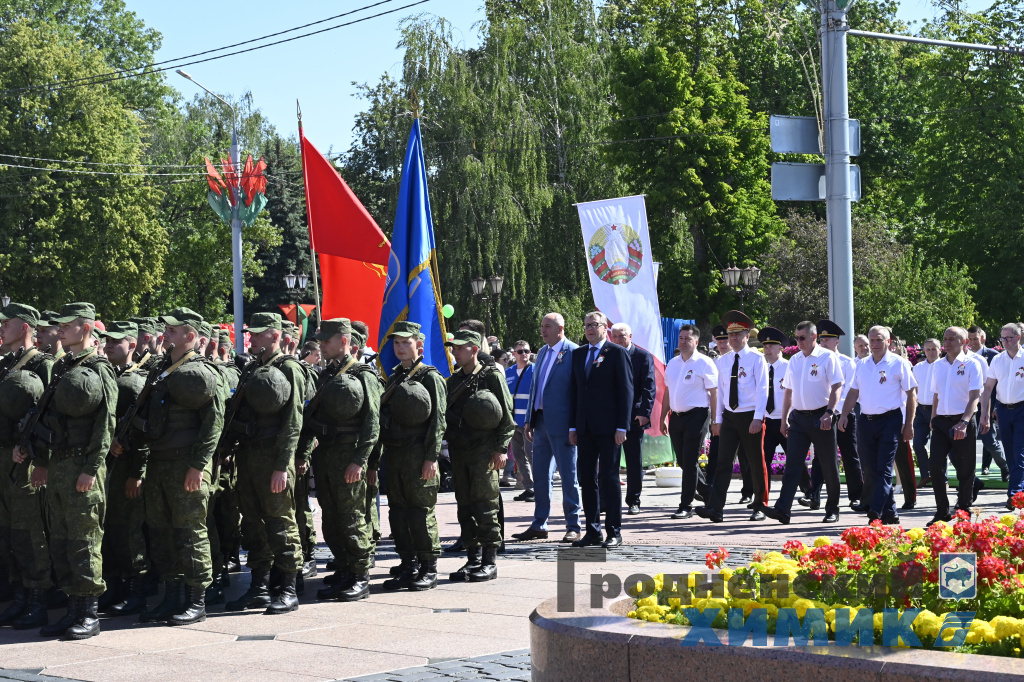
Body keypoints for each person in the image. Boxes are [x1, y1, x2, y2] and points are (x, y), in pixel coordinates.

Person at [14, 302, 117, 639]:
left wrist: (91, 468)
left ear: (85, 328)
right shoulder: (63, 367)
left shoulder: (100, 369)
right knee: (60, 539)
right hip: (58, 463)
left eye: (66, 325)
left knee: (84, 540)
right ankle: (73, 608)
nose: (59, 330)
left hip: (81, 466)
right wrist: (39, 458)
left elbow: (106, 425)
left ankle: (89, 613)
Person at [123, 309, 225, 626]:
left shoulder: (201, 372)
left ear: (190, 336)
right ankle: (173, 595)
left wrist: (198, 465)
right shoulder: (158, 369)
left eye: (173, 329)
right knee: (161, 531)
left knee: (190, 532)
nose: (165, 333)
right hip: (159, 461)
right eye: (166, 328)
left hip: (186, 463)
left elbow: (214, 423)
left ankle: (197, 599)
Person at [224, 312, 308, 615]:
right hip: (248, 457)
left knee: (281, 523)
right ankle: (258, 587)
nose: (251, 338)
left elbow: (293, 421)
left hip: (274, 457)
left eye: (258, 334)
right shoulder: (252, 369)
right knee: (253, 525)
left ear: (275, 336)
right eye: (251, 333)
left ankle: (287, 588)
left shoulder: (289, 369)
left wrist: (282, 464)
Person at [300, 318, 381, 602]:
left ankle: (360, 575)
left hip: (349, 454)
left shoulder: (363, 375)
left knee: (351, 518)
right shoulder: (327, 374)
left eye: (327, 341)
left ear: (344, 341)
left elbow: (373, 422)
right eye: (320, 341)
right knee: (332, 520)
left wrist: (361, 461)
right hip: (327, 455)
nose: (321, 346)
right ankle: (345, 569)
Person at [375, 321, 446, 591]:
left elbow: (438, 421)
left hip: (418, 454)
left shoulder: (430, 377)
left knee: (420, 512)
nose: (400, 347)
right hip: (395, 455)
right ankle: (408, 564)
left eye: (405, 342)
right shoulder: (393, 378)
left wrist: (431, 458)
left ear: (419, 345)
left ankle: (429, 567)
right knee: (399, 513)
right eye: (396, 343)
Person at [0, 303, 54, 630]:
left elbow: (49, 413)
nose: (1, 328)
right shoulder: (6, 365)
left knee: (30, 529)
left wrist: (41, 458)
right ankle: (20, 594)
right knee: (9, 530)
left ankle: (38, 599)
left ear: (24, 328)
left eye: (8, 323)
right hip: (3, 453)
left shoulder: (43, 365)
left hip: (25, 457)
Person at [444, 330, 514, 580]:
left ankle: (489, 561)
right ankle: (472, 558)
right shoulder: (452, 382)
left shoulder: (491, 376)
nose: (455, 352)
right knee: (465, 506)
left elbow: (507, 416)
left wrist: (501, 448)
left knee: (486, 506)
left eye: (460, 348)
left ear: (474, 349)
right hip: (460, 452)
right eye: (453, 348)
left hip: (484, 452)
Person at [763, 322, 843, 524]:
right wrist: (784, 419)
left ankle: (832, 508)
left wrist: (829, 412)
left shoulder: (827, 357)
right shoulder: (795, 360)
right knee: (793, 465)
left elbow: (837, 387)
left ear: (814, 337)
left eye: (802, 338)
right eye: (796, 338)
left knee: (828, 465)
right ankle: (783, 509)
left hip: (821, 416)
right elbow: (788, 391)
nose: (798, 342)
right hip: (798, 418)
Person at [512, 313, 581, 543]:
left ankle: (573, 525)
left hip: (563, 424)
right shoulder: (541, 353)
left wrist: (574, 424)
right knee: (541, 476)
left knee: (569, 476)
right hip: (539, 422)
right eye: (542, 326)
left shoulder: (573, 351)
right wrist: (529, 418)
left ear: (560, 328)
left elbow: (577, 392)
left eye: (547, 326)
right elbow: (535, 388)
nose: (543, 330)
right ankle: (539, 524)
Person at [95, 322, 149, 618]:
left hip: (127, 468)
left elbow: (144, 436)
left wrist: (137, 473)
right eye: (108, 341)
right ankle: (114, 586)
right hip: (108, 468)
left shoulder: (134, 383)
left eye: (117, 341)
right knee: (111, 530)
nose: (110, 345)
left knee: (129, 532)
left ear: (131, 343)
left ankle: (136, 590)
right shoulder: (111, 377)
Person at [838, 326, 916, 524]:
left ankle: (876, 510)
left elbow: (911, 394)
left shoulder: (898, 363)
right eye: (871, 340)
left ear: (888, 342)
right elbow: (853, 392)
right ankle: (890, 513)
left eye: (879, 340)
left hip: (890, 420)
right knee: (871, 470)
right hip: (866, 421)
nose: (874, 344)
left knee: (884, 469)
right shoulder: (862, 364)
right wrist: (844, 414)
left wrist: (909, 424)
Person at [696, 311, 769, 523]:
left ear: (747, 335)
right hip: (729, 416)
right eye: (730, 334)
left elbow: (763, 390)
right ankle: (715, 508)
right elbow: (720, 391)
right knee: (722, 462)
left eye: (738, 334)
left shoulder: (757, 359)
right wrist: (717, 419)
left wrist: (758, 417)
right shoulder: (723, 361)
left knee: (756, 462)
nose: (733, 339)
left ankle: (759, 505)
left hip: (750, 415)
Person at [568, 312, 633, 547]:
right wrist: (573, 426)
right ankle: (592, 530)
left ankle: (614, 531)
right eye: (586, 325)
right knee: (587, 479)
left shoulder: (616, 353)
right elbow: (575, 392)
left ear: (605, 328)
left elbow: (626, 392)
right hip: (585, 428)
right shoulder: (578, 354)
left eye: (594, 325)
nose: (589, 329)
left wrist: (622, 426)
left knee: (610, 477)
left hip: (609, 428)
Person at [804, 320, 864, 508]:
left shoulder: (847, 362)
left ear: (837, 341)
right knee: (820, 456)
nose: (824, 343)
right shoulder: (816, 360)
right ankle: (814, 495)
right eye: (822, 339)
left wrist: (837, 412)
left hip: (843, 414)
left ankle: (856, 495)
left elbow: (849, 390)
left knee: (849, 455)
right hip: (824, 415)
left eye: (828, 340)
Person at [659, 325, 717, 520]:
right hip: (677, 416)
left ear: (696, 342)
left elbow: (714, 392)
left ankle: (686, 505)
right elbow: (668, 391)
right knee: (684, 461)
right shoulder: (673, 363)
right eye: (681, 338)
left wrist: (716, 419)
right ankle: (709, 493)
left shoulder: (704, 362)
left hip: (698, 415)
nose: (683, 341)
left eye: (687, 339)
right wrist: (663, 416)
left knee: (690, 460)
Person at [927, 327, 983, 525]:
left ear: (964, 341)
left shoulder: (972, 364)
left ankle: (964, 510)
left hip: (963, 420)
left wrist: (965, 422)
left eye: (952, 338)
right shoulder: (938, 365)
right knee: (935, 466)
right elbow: (936, 394)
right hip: (941, 421)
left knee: (965, 469)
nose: (947, 342)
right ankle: (942, 511)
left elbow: (975, 396)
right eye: (945, 338)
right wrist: (933, 419)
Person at [609, 323, 656, 515]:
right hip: (610, 416)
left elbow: (649, 387)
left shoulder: (643, 357)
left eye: (622, 336)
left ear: (630, 336)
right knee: (609, 460)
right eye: (615, 336)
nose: (619, 340)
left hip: (634, 417)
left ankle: (634, 500)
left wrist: (644, 412)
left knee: (633, 460)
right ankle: (608, 500)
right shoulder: (608, 354)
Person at [981, 323, 1024, 510]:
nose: (1005, 342)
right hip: (1004, 411)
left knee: (1019, 452)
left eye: (1009, 338)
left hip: (1022, 409)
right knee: (1009, 453)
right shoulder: (997, 360)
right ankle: (1019, 490)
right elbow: (988, 387)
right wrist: (984, 413)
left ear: (1018, 337)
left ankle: (1013, 494)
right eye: (1003, 338)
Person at [968, 325, 1009, 480]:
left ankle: (1005, 467)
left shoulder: (993, 356)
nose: (972, 342)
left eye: (975, 339)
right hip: (968, 405)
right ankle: (969, 475)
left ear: (982, 338)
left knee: (989, 440)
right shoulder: (964, 356)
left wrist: (996, 406)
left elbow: (999, 384)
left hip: (988, 404)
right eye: (969, 339)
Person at [757, 327, 788, 496]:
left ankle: (807, 491)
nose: (767, 350)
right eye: (765, 346)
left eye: (771, 346)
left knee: (795, 459)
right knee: (764, 459)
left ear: (780, 348)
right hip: (767, 420)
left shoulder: (789, 367)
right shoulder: (761, 367)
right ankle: (763, 495)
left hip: (784, 420)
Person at [505, 340, 535, 502]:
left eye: (527, 351)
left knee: (532, 455)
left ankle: (539, 488)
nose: (524, 354)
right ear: (514, 354)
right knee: (518, 456)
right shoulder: (508, 372)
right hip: (513, 422)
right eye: (521, 351)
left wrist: (533, 420)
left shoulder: (535, 370)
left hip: (529, 422)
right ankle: (529, 487)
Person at [911, 339, 940, 487]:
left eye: (934, 349)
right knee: (918, 444)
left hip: (939, 410)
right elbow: (914, 390)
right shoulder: (917, 368)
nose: (930, 352)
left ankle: (943, 478)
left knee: (939, 446)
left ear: (940, 349)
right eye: (928, 349)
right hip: (921, 409)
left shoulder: (943, 366)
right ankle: (925, 475)